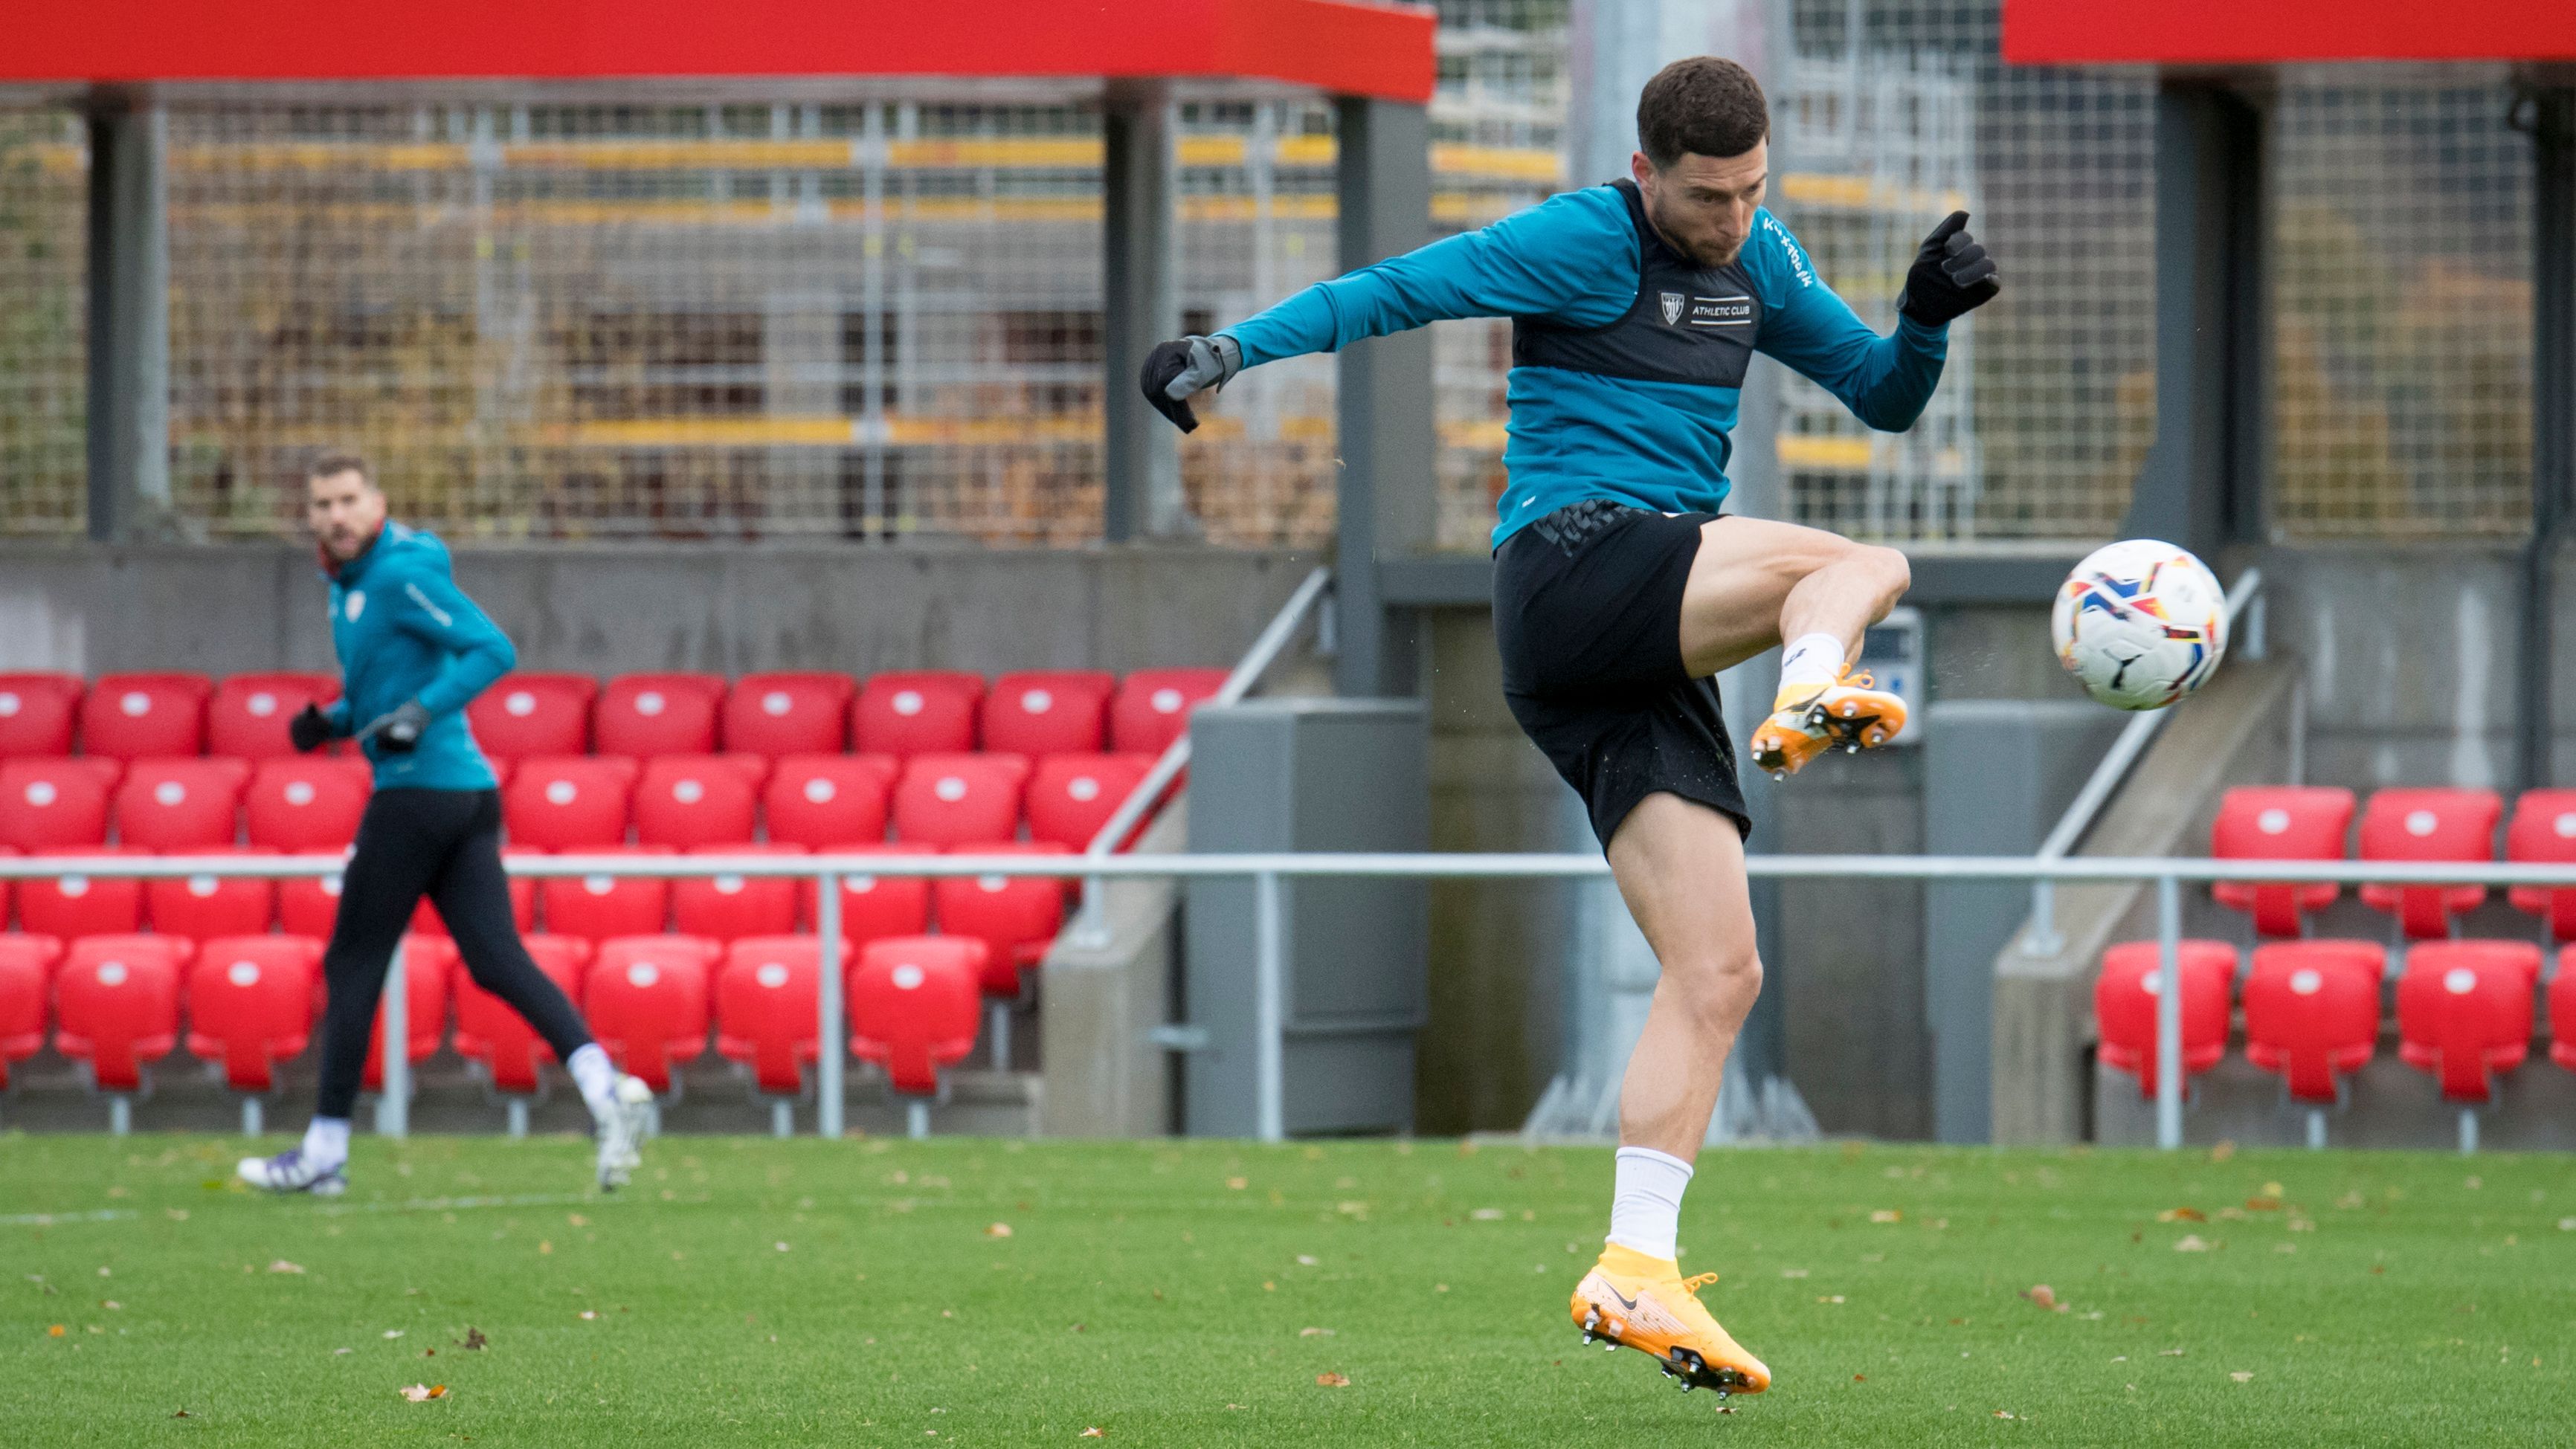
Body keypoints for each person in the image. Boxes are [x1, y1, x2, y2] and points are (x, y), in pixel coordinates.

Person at [1141, 57, 1996, 1397]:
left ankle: (1633, 1266)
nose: (1728, 218)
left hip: (1617, 656)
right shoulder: (1577, 236)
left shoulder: (1757, 255)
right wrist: (1227, 350)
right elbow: (1395, 291)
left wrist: (1925, 315)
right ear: (1647, 171)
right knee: (1859, 564)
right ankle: (1813, 685)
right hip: (1571, 562)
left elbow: (1882, 395)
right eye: (1706, 196)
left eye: (1749, 191)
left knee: (1717, 971)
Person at [238, 454, 655, 1196]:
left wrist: (420, 714)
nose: (335, 514)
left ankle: (325, 1148)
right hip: (463, 794)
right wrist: (331, 722)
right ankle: (606, 1088)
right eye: (322, 503)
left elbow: (493, 649)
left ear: (377, 502)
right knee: (495, 960)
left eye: (347, 499)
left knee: (353, 961)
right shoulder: (350, 584)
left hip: (417, 795)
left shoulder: (397, 574)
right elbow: (385, 686)